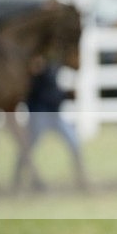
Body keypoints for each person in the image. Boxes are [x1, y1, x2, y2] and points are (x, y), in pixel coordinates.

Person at [14, 55, 87, 191]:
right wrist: (64, 95)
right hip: (40, 114)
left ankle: (82, 179)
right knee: (28, 146)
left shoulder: (53, 63)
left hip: (54, 114)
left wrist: (66, 95)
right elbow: (42, 93)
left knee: (74, 142)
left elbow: (51, 91)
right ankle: (18, 180)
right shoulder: (34, 64)